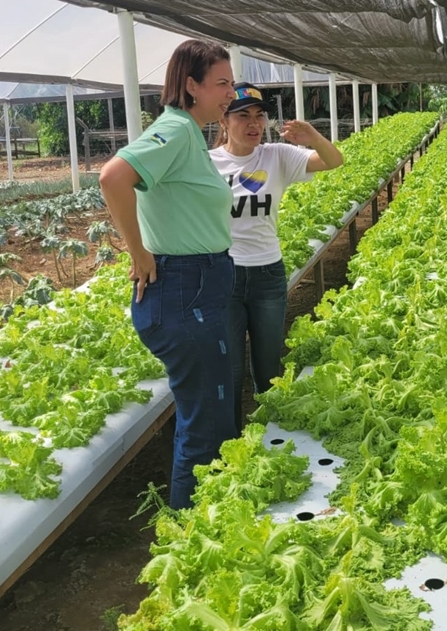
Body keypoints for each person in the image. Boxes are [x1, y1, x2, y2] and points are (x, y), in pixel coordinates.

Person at [99, 40, 238, 510]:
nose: (230, 93)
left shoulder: (191, 135)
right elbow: (113, 177)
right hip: (184, 291)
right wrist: (137, 253)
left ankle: (208, 518)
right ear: (190, 85)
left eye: (231, 82)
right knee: (203, 424)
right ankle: (189, 532)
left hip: (197, 288)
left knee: (212, 413)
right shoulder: (176, 130)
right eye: (222, 83)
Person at [209, 82, 343, 431]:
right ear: (223, 121)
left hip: (267, 273)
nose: (254, 123)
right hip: (224, 275)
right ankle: (234, 440)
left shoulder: (277, 155)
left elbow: (334, 161)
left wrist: (312, 135)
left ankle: (271, 438)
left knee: (269, 366)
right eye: (243, 116)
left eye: (259, 115)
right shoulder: (207, 163)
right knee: (231, 367)